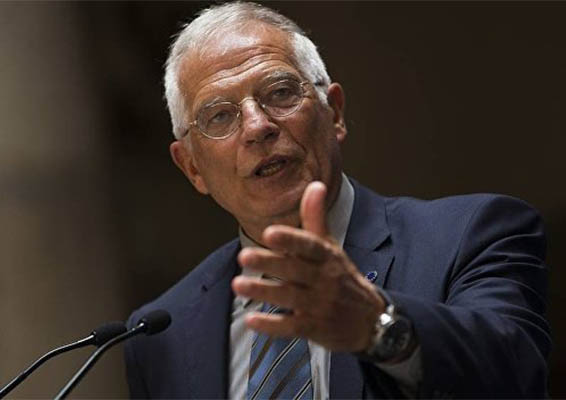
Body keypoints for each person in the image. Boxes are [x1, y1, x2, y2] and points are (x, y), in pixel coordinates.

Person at [123, 2, 550, 398]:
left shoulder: (471, 234)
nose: (257, 126)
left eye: (280, 92)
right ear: (192, 167)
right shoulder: (160, 334)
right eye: (219, 116)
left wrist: (378, 327)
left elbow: (517, 373)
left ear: (335, 113)